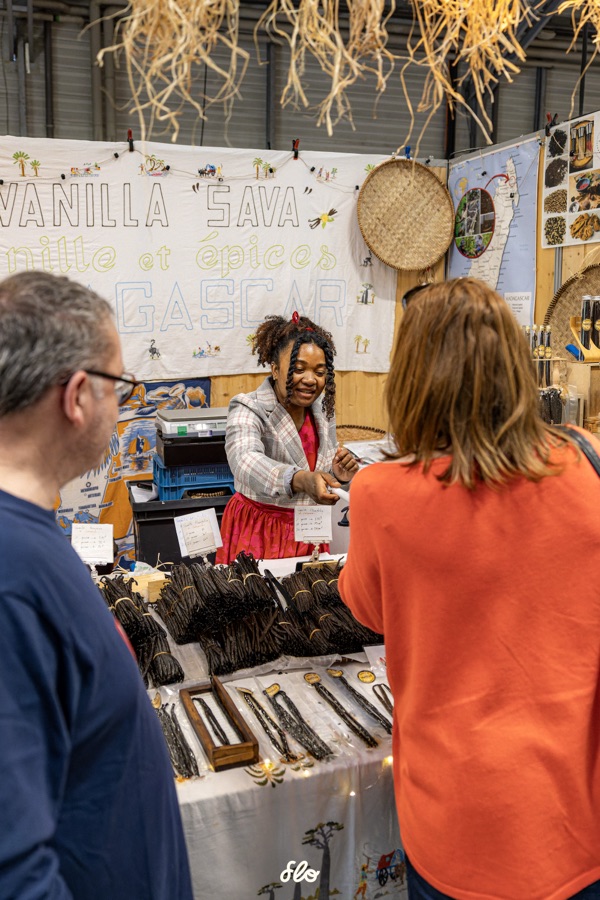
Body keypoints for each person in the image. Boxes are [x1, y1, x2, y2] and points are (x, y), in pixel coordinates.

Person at [339, 278, 600, 900]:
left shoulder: (381, 492)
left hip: (457, 817)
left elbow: (369, 609)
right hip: (578, 811)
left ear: (411, 377)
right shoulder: (588, 461)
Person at [0, 271, 194, 900]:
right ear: (79, 395)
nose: (122, 403)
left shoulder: (28, 543)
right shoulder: (12, 576)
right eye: (120, 385)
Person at [216, 312, 358, 563]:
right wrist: (299, 479)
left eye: (320, 372)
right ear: (275, 369)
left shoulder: (323, 412)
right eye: (298, 369)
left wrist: (337, 475)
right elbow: (244, 461)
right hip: (260, 529)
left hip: (310, 531)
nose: (310, 380)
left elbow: (318, 472)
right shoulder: (249, 406)